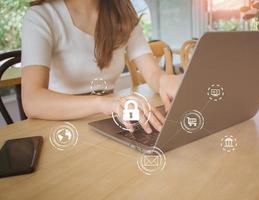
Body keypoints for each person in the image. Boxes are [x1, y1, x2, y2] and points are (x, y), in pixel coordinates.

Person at [21, 0, 182, 134]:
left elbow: (152, 72)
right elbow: (32, 100)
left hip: (110, 121)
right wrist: (106, 103)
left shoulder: (123, 12)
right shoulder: (42, 15)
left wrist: (165, 80)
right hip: (62, 126)